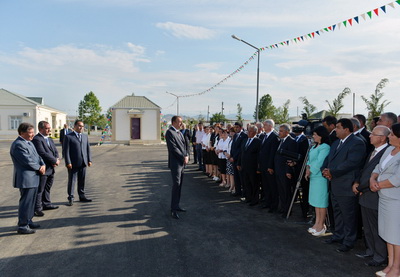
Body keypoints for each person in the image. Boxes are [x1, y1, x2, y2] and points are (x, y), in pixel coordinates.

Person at [322, 118, 366, 252]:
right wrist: (325, 170)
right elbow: (328, 160)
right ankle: (338, 235)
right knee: (337, 212)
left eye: (338, 127)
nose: (335, 130)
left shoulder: (357, 143)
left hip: (346, 184)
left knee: (348, 215)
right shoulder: (336, 143)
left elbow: (352, 163)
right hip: (335, 183)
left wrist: (332, 172)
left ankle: (348, 241)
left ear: (346, 129)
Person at [352, 125, 390, 267]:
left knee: (376, 227)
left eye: (373, 134)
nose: (369, 136)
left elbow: (378, 175)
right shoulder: (374, 151)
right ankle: (370, 250)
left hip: (374, 195)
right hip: (364, 194)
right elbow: (364, 170)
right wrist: (356, 182)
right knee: (367, 226)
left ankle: (380, 256)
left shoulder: (388, 152)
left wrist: (361, 187)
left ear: (382, 138)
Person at [370, 123, 400, 277]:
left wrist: (377, 185)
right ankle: (390, 265)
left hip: (396, 201)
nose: (389, 137)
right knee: (388, 234)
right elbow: (377, 168)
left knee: (396, 236)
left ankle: (397, 269)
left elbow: (397, 179)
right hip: (384, 198)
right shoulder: (389, 149)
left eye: (392, 135)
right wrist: (372, 179)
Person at [10, 123, 45, 234]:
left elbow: (38, 156)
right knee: (26, 202)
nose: (32, 135)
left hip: (33, 177)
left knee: (31, 202)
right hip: (26, 179)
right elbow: (27, 161)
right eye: (30, 133)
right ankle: (22, 225)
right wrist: (39, 167)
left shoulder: (28, 143)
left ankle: (28, 220)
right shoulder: (18, 144)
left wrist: (42, 164)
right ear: (22, 133)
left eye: (32, 132)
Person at [305, 126, 330, 236]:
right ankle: (317, 223)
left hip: (320, 177)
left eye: (315, 134)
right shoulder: (314, 146)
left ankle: (321, 225)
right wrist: (307, 168)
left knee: (321, 202)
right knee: (316, 202)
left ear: (321, 135)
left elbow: (320, 162)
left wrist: (311, 170)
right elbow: (309, 160)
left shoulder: (325, 147)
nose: (313, 136)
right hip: (314, 177)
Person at [32, 121, 60, 217]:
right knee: (40, 189)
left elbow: (55, 151)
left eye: (49, 128)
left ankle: (47, 204)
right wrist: (54, 161)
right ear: (40, 129)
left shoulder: (49, 139)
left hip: (51, 168)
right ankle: (37, 208)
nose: (49, 130)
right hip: (43, 168)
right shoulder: (37, 139)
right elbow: (42, 153)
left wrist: (57, 159)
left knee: (47, 187)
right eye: (47, 128)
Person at [63, 120, 92, 206]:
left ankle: (82, 195)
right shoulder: (68, 137)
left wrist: (89, 160)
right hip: (73, 163)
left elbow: (88, 149)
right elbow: (66, 151)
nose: (81, 128)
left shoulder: (85, 136)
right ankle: (71, 197)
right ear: (74, 126)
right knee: (72, 181)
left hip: (83, 162)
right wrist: (68, 162)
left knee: (82, 180)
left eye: (82, 126)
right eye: (79, 126)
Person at [165, 115, 189, 219]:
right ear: (173, 122)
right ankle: (173, 209)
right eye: (179, 122)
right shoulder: (170, 132)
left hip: (182, 163)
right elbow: (173, 148)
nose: (181, 123)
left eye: (181, 122)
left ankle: (177, 205)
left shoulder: (179, 132)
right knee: (176, 185)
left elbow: (186, 145)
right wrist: (183, 157)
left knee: (179, 186)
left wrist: (187, 155)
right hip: (176, 163)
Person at [274, 123, 297, 217]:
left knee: (286, 191)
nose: (279, 132)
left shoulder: (291, 142)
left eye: (281, 131)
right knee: (281, 191)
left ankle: (287, 210)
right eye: (279, 131)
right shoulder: (281, 141)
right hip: (279, 170)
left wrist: (288, 171)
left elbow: (290, 158)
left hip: (285, 171)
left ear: (287, 132)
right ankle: (283, 207)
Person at [258, 119, 280, 212]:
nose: (264, 126)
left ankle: (273, 205)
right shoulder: (263, 136)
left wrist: (270, 166)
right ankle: (267, 202)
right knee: (265, 185)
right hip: (263, 165)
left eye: (265, 125)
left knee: (272, 186)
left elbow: (272, 153)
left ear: (271, 126)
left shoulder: (274, 137)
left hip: (269, 166)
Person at [237, 125, 262, 206]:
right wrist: (239, 163)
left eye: (251, 131)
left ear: (255, 132)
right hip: (244, 166)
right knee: (246, 182)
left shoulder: (258, 141)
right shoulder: (245, 140)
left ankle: (255, 199)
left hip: (253, 167)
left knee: (254, 183)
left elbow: (259, 155)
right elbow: (241, 153)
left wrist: (259, 167)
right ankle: (248, 197)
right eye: (248, 131)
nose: (248, 132)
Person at [230, 122, 248, 197]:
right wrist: (231, 156)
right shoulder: (235, 135)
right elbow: (233, 147)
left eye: (237, 127)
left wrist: (235, 157)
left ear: (241, 127)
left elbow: (241, 149)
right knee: (236, 176)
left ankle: (244, 193)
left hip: (239, 159)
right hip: (233, 159)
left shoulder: (244, 136)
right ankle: (238, 191)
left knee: (241, 177)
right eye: (235, 127)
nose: (236, 128)